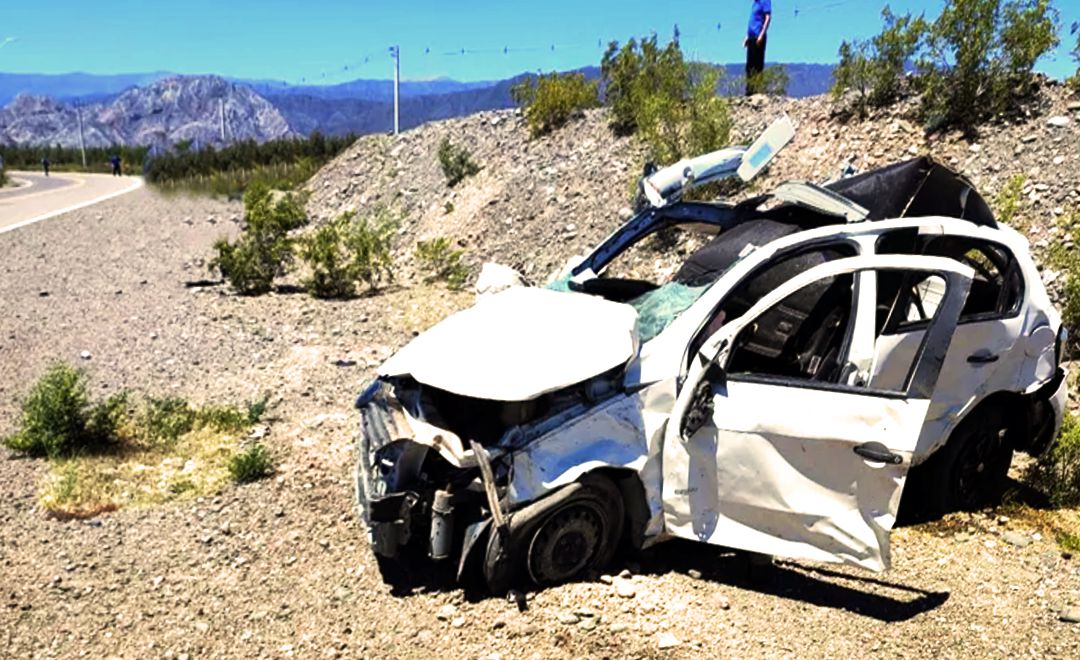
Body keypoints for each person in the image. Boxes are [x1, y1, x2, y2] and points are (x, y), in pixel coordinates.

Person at [744, 0, 772, 96]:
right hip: (751, 37)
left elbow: (768, 18)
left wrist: (761, 34)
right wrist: (747, 37)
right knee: (749, 65)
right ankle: (749, 91)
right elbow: (753, 20)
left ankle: (757, 90)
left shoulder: (765, 1)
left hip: (758, 36)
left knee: (757, 64)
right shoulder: (755, 3)